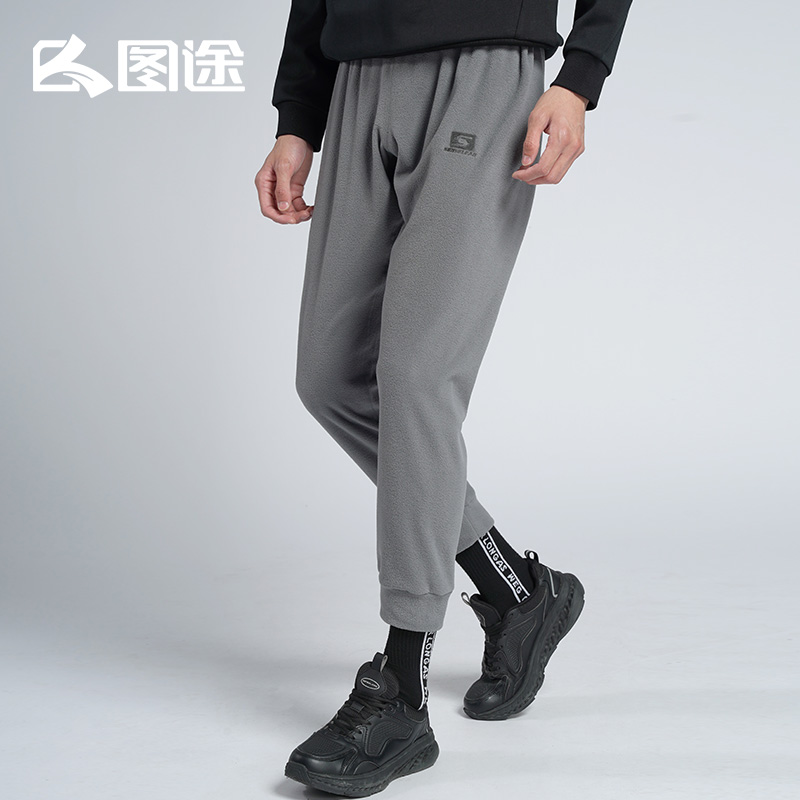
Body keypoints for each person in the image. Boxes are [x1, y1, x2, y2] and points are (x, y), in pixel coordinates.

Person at [255, 1, 633, 795]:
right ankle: (517, 590)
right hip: (357, 77)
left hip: (483, 71)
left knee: (418, 381)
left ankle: (400, 691)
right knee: (329, 379)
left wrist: (579, 78)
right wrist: (298, 118)